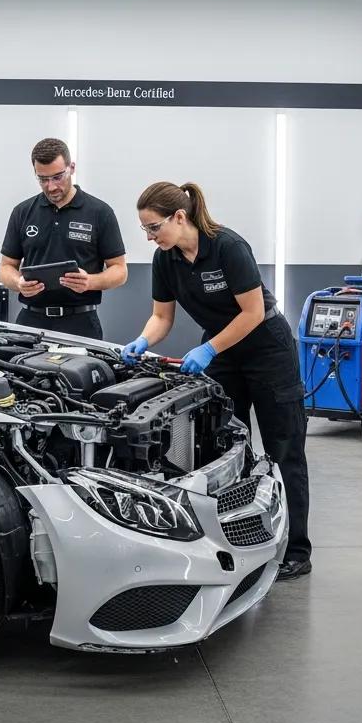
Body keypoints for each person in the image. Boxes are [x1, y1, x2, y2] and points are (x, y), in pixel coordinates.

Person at [121, 181, 312, 581]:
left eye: (154, 228)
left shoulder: (228, 247)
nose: (150, 237)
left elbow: (253, 312)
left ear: (179, 217)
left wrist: (209, 349)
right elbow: (162, 318)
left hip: (267, 348)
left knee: (284, 449)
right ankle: (234, 541)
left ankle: (296, 550)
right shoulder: (166, 261)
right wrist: (142, 340)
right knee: (224, 447)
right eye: (145, 230)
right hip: (223, 350)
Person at [0, 138, 127, 339]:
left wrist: (90, 282)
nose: (51, 187)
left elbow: (120, 270)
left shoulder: (100, 212)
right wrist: (19, 282)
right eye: (43, 179)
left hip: (81, 324)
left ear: (71, 168)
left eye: (58, 177)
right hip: (31, 322)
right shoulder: (22, 212)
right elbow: (6, 267)